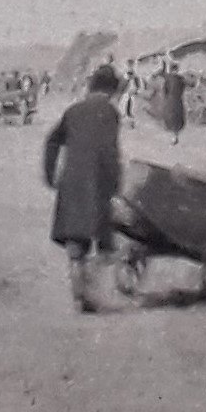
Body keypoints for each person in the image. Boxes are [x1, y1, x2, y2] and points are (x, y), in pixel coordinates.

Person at [42, 64, 124, 313]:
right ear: (110, 90)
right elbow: (110, 151)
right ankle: (90, 291)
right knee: (102, 240)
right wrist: (115, 182)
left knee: (76, 241)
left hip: (71, 181)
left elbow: (51, 140)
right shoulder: (110, 112)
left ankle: (80, 291)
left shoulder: (73, 110)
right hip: (96, 181)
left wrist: (50, 174)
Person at [161, 63, 187, 145]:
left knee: (174, 117)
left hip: (173, 100)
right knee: (174, 117)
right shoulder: (179, 79)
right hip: (174, 100)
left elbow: (165, 90)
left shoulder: (170, 78)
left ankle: (174, 136)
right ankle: (174, 135)